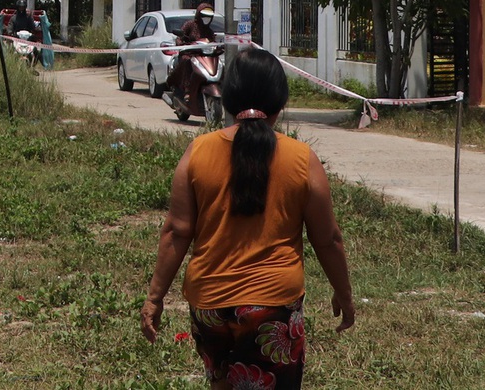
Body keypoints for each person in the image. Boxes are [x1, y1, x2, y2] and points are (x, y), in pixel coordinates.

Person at [140, 45, 354, 390]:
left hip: (209, 306)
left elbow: (177, 232)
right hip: (272, 308)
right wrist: (343, 294)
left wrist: (154, 298)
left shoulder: (198, 151)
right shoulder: (301, 158)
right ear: (280, 101)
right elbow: (327, 238)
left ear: (228, 96)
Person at [169, 3, 219, 110]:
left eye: (208, 17)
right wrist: (183, 44)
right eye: (204, 16)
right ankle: (187, 90)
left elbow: (213, 42)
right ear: (198, 15)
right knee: (187, 62)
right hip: (189, 54)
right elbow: (179, 38)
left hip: (204, 56)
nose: (206, 19)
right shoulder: (190, 25)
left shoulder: (209, 31)